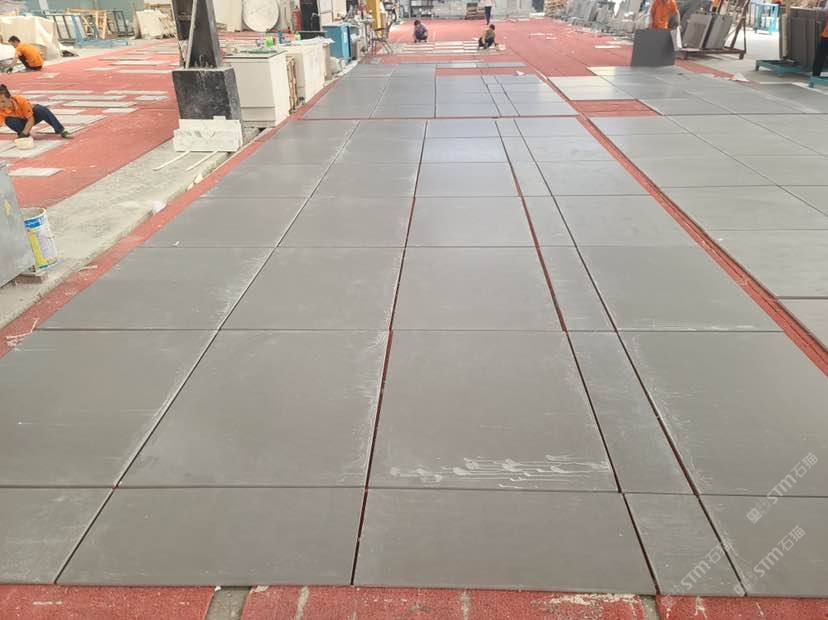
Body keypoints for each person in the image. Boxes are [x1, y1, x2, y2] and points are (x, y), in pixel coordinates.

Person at [0, 85, 71, 139]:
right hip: (20, 122)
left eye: (3, 101)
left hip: (32, 117)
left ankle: (61, 130)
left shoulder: (20, 100)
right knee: (9, 121)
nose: (1, 105)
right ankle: (24, 134)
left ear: (10, 98)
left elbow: (31, 119)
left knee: (42, 110)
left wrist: (24, 133)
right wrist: (24, 134)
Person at [812, 9, 828, 78]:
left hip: (826, 36)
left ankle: (815, 75)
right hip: (826, 35)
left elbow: (826, 13)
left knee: (820, 56)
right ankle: (815, 75)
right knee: (820, 56)